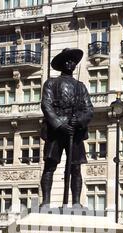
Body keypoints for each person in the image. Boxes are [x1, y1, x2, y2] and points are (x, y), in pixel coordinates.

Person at [40, 48, 94, 208]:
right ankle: (46, 201)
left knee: (75, 167)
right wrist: (59, 124)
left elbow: (89, 109)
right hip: (55, 131)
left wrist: (79, 121)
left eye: (72, 61)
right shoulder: (51, 83)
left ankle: (76, 202)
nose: (70, 63)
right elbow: (46, 105)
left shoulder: (80, 86)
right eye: (67, 60)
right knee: (50, 166)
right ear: (61, 64)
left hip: (75, 131)